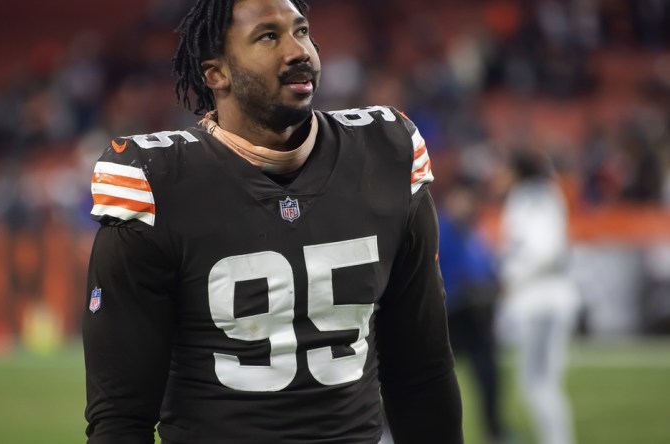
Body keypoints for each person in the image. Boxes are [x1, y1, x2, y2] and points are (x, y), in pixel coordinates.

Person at [82, 0, 462, 442]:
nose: (298, 50)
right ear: (216, 73)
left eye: (301, 31)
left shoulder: (386, 153)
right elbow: (121, 415)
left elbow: (421, 373)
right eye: (268, 36)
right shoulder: (157, 180)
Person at [495, 150, 580, 444]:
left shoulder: (528, 198)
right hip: (551, 296)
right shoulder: (546, 193)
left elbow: (544, 249)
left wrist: (512, 277)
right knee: (542, 383)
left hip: (541, 300)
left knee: (538, 383)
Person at [438, 178, 504, 444]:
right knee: (431, 380)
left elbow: (486, 267)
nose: (464, 204)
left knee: (489, 375)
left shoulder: (474, 230)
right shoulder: (439, 228)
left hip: (476, 315)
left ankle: (494, 431)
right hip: (449, 315)